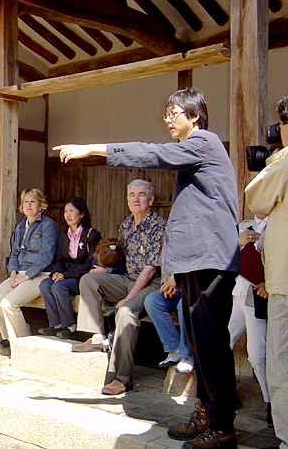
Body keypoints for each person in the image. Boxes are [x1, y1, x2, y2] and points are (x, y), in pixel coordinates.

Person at [55, 87, 240, 449]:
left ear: (195, 116)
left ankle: (222, 425)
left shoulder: (204, 142)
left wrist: (97, 149)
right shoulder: (193, 156)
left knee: (212, 344)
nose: (167, 118)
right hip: (193, 263)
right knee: (201, 345)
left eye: (174, 112)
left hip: (211, 260)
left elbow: (155, 153)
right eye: (166, 113)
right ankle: (205, 410)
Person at [70, 180, 165, 399]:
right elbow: (120, 258)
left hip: (150, 284)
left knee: (126, 312)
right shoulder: (126, 224)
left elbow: (150, 270)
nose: (136, 199)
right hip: (127, 278)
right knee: (89, 280)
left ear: (150, 200)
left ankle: (121, 377)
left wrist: (128, 298)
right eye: (132, 195)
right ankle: (96, 336)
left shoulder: (158, 226)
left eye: (141, 195)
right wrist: (106, 268)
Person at [245, 95, 288, 449]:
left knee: (281, 365)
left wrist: (277, 157)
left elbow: (256, 199)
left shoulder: (286, 161)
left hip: (285, 282)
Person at [0, 188, 58, 352]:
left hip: (38, 275)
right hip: (19, 273)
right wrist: (12, 273)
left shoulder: (48, 225)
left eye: (33, 201)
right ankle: (8, 338)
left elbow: (46, 256)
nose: (28, 205)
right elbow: (14, 253)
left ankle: (22, 345)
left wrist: (25, 277)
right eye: (26, 201)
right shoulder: (21, 226)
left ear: (40, 205)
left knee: (9, 303)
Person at [38, 197, 101, 339]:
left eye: (72, 211)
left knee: (59, 287)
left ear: (82, 214)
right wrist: (56, 273)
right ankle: (56, 324)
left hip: (82, 277)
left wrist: (64, 276)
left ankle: (70, 326)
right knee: (45, 285)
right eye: (66, 211)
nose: (68, 215)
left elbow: (89, 264)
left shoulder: (91, 234)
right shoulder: (63, 235)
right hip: (66, 274)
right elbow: (59, 259)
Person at [229, 216, 270, 424]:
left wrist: (268, 283)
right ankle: (224, 395)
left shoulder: (279, 224)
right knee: (220, 342)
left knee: (257, 356)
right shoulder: (243, 226)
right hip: (237, 293)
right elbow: (222, 252)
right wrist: (239, 241)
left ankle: (271, 403)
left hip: (258, 297)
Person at [144, 276, 193, 373]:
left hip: (194, 285)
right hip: (176, 286)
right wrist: (167, 285)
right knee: (152, 301)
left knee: (184, 305)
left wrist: (175, 278)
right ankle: (174, 349)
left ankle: (187, 354)